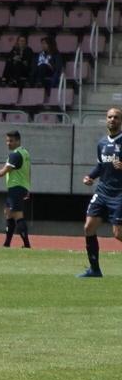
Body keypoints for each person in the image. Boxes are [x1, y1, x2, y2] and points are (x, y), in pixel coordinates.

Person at [80, 105, 122, 278]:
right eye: (110, 117)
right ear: (106, 120)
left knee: (118, 234)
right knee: (89, 227)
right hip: (103, 191)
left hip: (119, 193)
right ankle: (94, 269)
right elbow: (100, 165)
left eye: (116, 117)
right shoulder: (102, 143)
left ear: (121, 121)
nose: (112, 120)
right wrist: (90, 177)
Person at [0, 129, 33, 250]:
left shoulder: (15, 154)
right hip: (20, 187)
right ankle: (7, 244)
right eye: (7, 141)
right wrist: (28, 187)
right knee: (8, 213)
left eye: (11, 141)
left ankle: (27, 245)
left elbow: (5, 170)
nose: (8, 143)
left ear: (18, 140)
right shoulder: (25, 152)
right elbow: (28, 171)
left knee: (17, 215)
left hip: (16, 187)